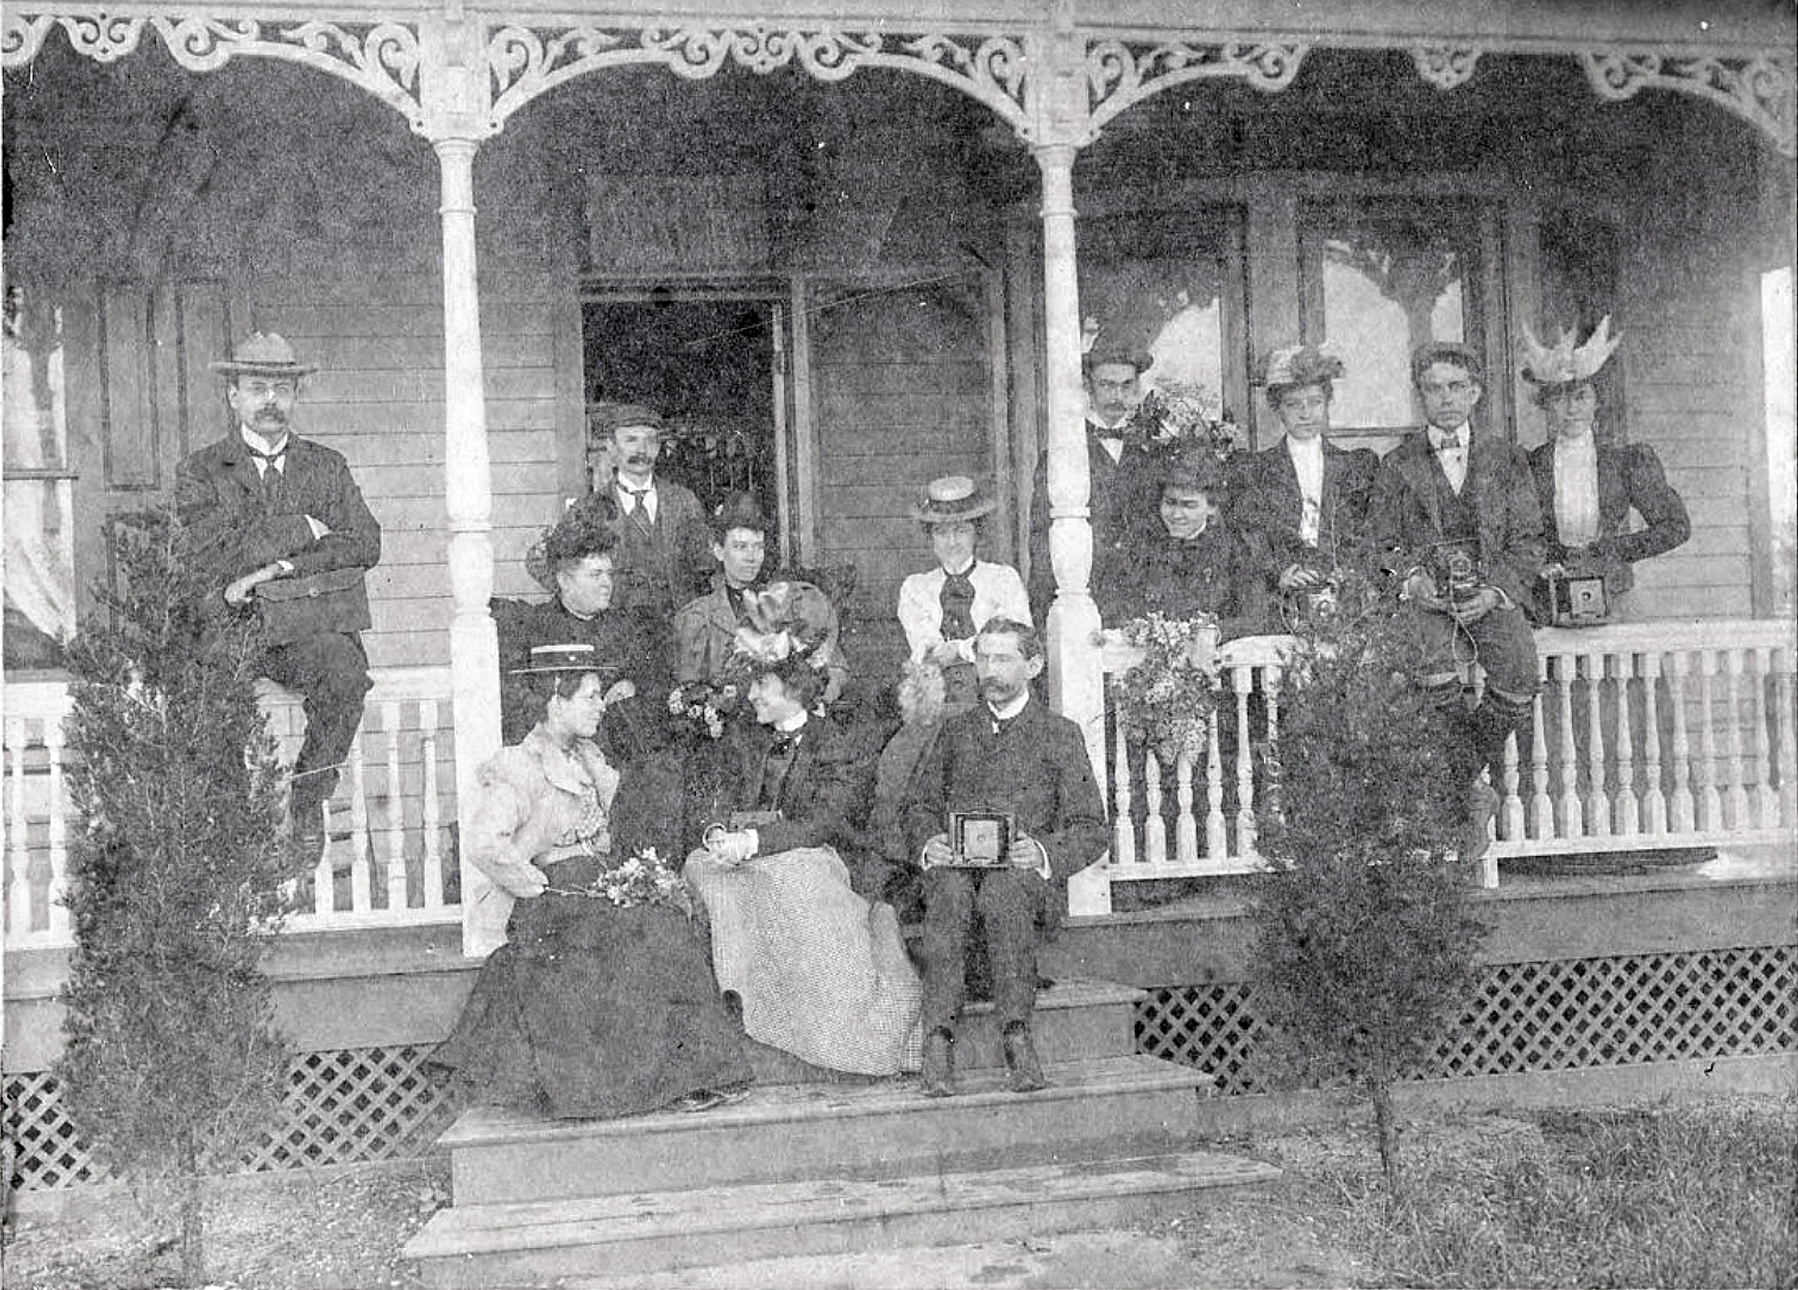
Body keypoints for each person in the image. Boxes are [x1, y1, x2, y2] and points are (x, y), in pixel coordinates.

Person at [432, 643, 753, 1119]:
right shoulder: (520, 766)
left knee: (666, 925)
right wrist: (534, 882)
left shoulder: (588, 759)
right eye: (590, 697)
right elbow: (484, 844)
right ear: (555, 702)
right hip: (551, 899)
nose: (601, 706)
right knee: (633, 936)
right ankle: (630, 1086)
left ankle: (691, 1075)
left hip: (597, 887)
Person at [175, 333, 381, 855]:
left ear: (297, 397)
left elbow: (364, 542)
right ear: (233, 396)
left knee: (345, 674)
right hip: (232, 628)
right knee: (210, 699)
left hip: (305, 625)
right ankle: (231, 824)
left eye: (282, 389)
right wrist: (303, 526)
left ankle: (309, 799)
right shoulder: (200, 470)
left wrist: (282, 566)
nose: (271, 401)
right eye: (258, 387)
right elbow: (213, 552)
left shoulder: (326, 465)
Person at [685, 649, 923, 1076]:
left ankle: (839, 1027)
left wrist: (755, 841)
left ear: (793, 689)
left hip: (822, 854)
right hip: (752, 855)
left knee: (792, 877)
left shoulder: (839, 744)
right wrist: (718, 833)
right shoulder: (745, 738)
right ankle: (743, 995)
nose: (752, 694)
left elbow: (825, 823)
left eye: (762, 684)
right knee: (703, 867)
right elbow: (714, 799)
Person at [900, 618, 1108, 1097]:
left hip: (1021, 886)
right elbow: (917, 805)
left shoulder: (1059, 734)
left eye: (1003, 658)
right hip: (957, 877)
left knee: (1005, 888)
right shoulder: (955, 731)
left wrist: (1040, 851)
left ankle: (1017, 1035)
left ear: (1032, 665)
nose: (989, 671)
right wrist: (929, 841)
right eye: (984, 659)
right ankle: (937, 1041)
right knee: (950, 887)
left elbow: (1091, 829)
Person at [1369, 341, 1545, 827]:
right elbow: (1381, 545)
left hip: (1489, 595)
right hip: (1428, 601)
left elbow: (1530, 540)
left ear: (1475, 393)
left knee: (1519, 676)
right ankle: (1463, 795)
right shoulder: (1397, 464)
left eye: (1455, 387)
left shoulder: (1507, 459)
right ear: (1419, 397)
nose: (1444, 398)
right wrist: (1412, 580)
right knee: (1433, 676)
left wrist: (1493, 592)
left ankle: (1456, 784)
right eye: (1432, 389)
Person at [496, 510, 684, 856]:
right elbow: (517, 697)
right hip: (557, 756)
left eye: (609, 573)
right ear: (565, 580)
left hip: (621, 755)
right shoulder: (535, 627)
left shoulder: (627, 628)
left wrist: (633, 689)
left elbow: (656, 689)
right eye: (595, 574)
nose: (606, 583)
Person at [1521, 317, 1689, 619]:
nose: (1571, 409)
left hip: (1614, 594)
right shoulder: (1530, 465)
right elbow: (1515, 537)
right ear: (1547, 404)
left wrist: (1609, 551)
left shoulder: (1626, 462)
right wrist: (1539, 562)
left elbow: (1676, 527)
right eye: (1560, 398)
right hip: (1549, 600)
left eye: (1581, 396)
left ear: (1598, 401)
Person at [1232, 344, 1378, 618]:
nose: (1305, 413)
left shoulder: (1355, 466)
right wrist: (1279, 571)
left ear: (1327, 404)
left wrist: (1347, 572)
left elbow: (1368, 530)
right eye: (1293, 404)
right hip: (1281, 592)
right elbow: (1249, 534)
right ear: (1277, 409)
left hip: (1342, 588)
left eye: (1314, 402)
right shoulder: (1255, 469)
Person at [674, 492, 849, 706]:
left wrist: (812, 701)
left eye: (758, 547)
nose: (751, 557)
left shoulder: (794, 602)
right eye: (740, 547)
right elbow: (689, 693)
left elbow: (836, 668)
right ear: (719, 550)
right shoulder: (698, 617)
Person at [563, 403, 714, 649]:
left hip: (679, 638)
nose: (642, 450)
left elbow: (707, 569)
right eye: (631, 440)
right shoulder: (590, 509)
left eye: (650, 441)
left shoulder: (684, 502)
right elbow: (556, 569)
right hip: (613, 641)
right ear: (611, 447)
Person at [1026, 345, 1159, 622]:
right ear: (1088, 386)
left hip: (1141, 600)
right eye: (1107, 385)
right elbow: (1041, 540)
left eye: (1126, 385)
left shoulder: (1151, 452)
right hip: (1084, 596)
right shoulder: (1062, 452)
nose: (1117, 396)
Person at [1097, 451, 1269, 637]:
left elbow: (1255, 618)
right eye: (1170, 503)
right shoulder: (1141, 547)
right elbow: (1113, 608)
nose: (1176, 515)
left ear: (1212, 507)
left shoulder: (1235, 550)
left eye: (1189, 505)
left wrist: (1213, 633)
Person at [896, 475, 1031, 711]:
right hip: (938, 699)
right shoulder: (916, 588)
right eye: (941, 532)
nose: (952, 542)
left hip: (998, 693)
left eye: (960, 531)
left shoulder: (1003, 579)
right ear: (931, 537)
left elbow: (1016, 639)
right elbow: (926, 648)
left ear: (976, 532)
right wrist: (963, 650)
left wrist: (958, 650)